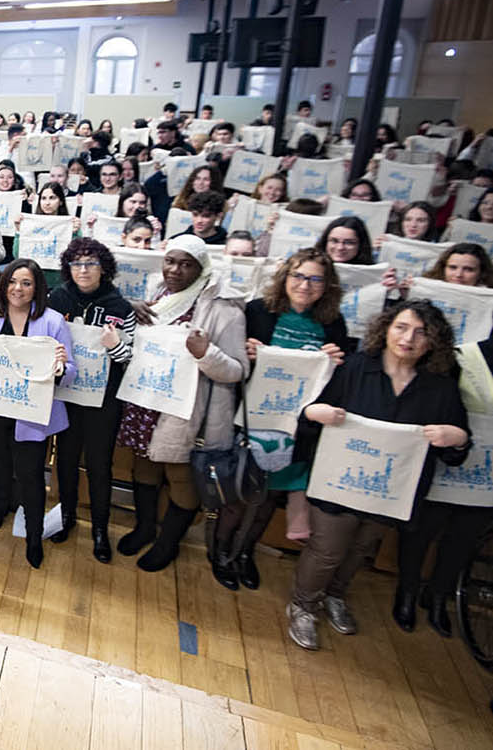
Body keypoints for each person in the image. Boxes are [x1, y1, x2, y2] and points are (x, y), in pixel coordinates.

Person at [287, 301, 469, 651]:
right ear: (386, 328)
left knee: (360, 549)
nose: (409, 338)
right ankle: (303, 605)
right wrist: (316, 411)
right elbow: (308, 414)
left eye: (421, 332)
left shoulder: (440, 387)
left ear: (434, 341)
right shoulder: (357, 367)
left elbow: (459, 446)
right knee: (327, 550)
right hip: (337, 482)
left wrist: (455, 437)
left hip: (391, 490)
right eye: (401, 327)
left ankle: (335, 596)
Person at [218, 250, 351, 591]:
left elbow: (338, 382)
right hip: (250, 418)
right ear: (284, 277)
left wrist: (335, 362)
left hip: (298, 427)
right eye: (298, 276)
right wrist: (245, 353)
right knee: (238, 495)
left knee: (268, 499)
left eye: (315, 278)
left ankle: (245, 553)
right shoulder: (258, 312)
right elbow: (232, 363)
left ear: (326, 285)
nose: (305, 285)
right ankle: (220, 552)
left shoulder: (333, 323)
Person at [116, 235, 247, 571]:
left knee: (179, 475)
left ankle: (168, 543)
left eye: (186, 264)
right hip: (146, 398)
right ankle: (144, 527)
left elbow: (236, 370)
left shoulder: (223, 307)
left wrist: (205, 352)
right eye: (170, 261)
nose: (175, 270)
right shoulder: (158, 293)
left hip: (186, 406)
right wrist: (131, 308)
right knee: (142, 464)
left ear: (201, 267)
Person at [393, 245, 493, 634]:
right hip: (444, 454)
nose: (462, 274)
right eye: (456, 268)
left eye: (471, 269)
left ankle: (438, 596)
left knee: (464, 538)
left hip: (486, 473)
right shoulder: (463, 355)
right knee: (422, 529)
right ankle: (406, 591)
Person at [0, 259, 74, 567]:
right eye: (13, 281)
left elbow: (70, 372)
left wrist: (60, 366)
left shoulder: (52, 321)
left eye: (26, 283)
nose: (18, 289)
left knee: (30, 474)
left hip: (31, 414)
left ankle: (34, 534)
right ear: (3, 284)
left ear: (37, 287)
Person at [48, 238, 136, 562]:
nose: (83, 270)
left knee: (99, 466)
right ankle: (66, 517)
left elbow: (130, 358)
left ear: (104, 268)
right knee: (66, 460)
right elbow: (42, 339)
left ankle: (100, 529)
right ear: (69, 268)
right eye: (77, 263)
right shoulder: (57, 298)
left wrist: (114, 346)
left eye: (91, 264)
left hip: (104, 400)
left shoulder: (120, 307)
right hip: (68, 394)